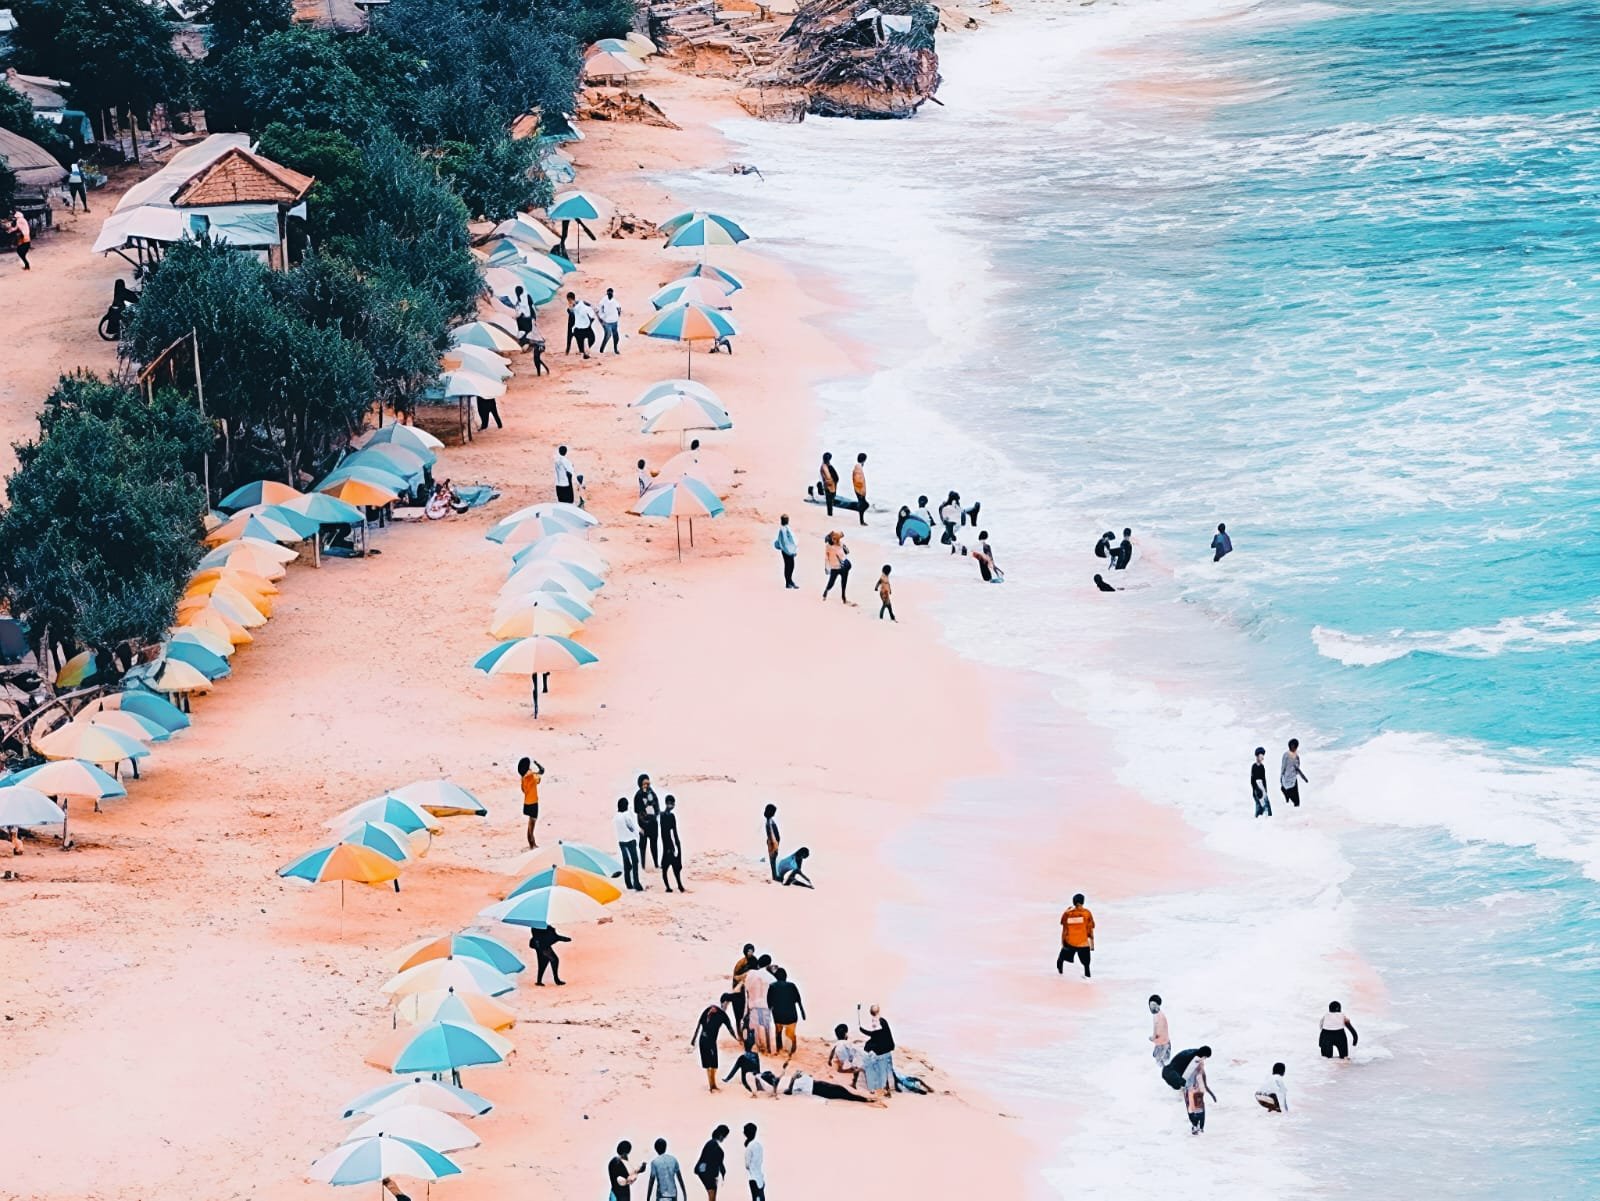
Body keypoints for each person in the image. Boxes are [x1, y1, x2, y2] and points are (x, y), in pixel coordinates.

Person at [691, 995, 737, 1091]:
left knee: (713, 1065)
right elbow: (699, 1025)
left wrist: (736, 1038)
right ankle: (712, 1085)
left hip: (706, 1040)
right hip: (706, 1040)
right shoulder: (719, 1014)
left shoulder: (720, 1014)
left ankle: (713, 1084)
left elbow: (730, 1028)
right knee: (710, 1065)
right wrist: (693, 1039)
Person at [771, 1069, 875, 1103]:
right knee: (844, 1094)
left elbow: (797, 1073)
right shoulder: (790, 1088)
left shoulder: (789, 1083)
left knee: (843, 1092)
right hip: (820, 1089)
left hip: (819, 1086)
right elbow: (790, 1087)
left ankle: (865, 1099)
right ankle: (866, 1100)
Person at [859, 1004, 896, 1099]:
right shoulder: (883, 1020)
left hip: (881, 1050)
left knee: (880, 1069)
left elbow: (875, 1035)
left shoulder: (876, 1022)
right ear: (879, 1011)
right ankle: (886, 1090)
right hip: (887, 1048)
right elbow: (882, 1035)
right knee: (886, 1070)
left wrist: (862, 1030)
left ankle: (881, 1089)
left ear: (870, 1013)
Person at [768, 966, 806, 1053]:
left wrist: (768, 1015)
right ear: (786, 976)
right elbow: (799, 1001)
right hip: (791, 1015)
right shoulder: (792, 986)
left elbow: (769, 1003)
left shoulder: (772, 986)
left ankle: (779, 1049)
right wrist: (802, 1013)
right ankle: (792, 1049)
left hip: (778, 1016)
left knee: (778, 1033)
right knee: (791, 1033)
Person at [1056, 893, 1095, 978]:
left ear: (1073, 902)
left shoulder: (1068, 913)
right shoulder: (1087, 913)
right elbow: (1090, 928)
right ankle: (1088, 980)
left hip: (1070, 943)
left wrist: (1063, 942)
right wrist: (1091, 945)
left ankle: (1059, 974)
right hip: (1083, 944)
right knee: (1086, 965)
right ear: (1083, 902)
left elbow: (1064, 926)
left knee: (1060, 959)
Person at [743, 955, 776, 1052]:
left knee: (756, 1029)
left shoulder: (751, 974)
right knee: (767, 1027)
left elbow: (747, 990)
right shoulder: (771, 977)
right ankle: (769, 1048)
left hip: (753, 1005)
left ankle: (760, 1047)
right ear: (768, 964)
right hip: (766, 1005)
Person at [634, 774, 662, 870]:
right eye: (644, 783)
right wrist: (641, 824)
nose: (646, 785)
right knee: (643, 846)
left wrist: (656, 814)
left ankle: (656, 863)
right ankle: (642, 865)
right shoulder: (638, 795)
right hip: (643, 824)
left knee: (654, 844)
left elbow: (657, 806)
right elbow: (637, 812)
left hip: (653, 823)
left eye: (648, 783)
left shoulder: (652, 793)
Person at [693, 1126, 729, 1201]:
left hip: (707, 1173)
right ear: (721, 1135)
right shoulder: (713, 1145)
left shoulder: (711, 1143)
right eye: (724, 1136)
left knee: (712, 1195)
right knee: (712, 1195)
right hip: (707, 1174)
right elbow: (713, 1160)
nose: (724, 1138)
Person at [615, 798, 643, 891]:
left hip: (621, 841)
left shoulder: (616, 816)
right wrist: (638, 834)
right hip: (630, 840)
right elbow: (632, 827)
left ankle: (628, 883)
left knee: (626, 863)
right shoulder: (626, 816)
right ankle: (636, 883)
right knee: (635, 862)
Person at [730, 944, 758, 1031]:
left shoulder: (754, 960)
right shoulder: (740, 964)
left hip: (751, 986)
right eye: (749, 951)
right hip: (740, 986)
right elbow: (735, 977)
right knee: (739, 1009)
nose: (750, 953)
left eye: (751, 951)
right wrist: (745, 976)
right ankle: (739, 1029)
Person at [518, 756, 544, 849]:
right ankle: (532, 844)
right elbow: (542, 771)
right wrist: (537, 764)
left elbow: (523, 790)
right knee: (532, 825)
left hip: (527, 803)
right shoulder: (532, 776)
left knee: (530, 824)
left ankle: (531, 843)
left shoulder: (523, 778)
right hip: (533, 802)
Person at [660, 794, 685, 892]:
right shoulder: (671, 816)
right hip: (672, 844)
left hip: (666, 845)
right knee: (676, 867)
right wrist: (676, 846)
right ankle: (680, 886)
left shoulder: (662, 815)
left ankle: (668, 887)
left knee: (665, 868)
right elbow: (674, 832)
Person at [821, 532, 852, 604]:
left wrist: (843, 546)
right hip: (834, 568)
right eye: (833, 539)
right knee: (831, 583)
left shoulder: (840, 544)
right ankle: (826, 591)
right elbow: (826, 558)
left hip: (843, 567)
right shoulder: (828, 547)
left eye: (835, 539)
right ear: (831, 540)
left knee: (844, 583)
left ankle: (843, 597)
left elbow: (847, 552)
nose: (835, 540)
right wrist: (827, 568)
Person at [1281, 738, 1308, 808]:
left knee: (1294, 800)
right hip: (1291, 781)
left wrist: (1281, 779)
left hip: (1287, 780)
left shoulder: (1286, 754)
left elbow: (1283, 768)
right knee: (1296, 802)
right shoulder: (1294, 756)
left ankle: (1285, 792)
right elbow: (1297, 769)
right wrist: (1304, 778)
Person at [773, 515, 798, 589]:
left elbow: (791, 540)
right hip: (786, 550)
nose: (787, 521)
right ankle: (788, 582)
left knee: (791, 566)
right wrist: (789, 550)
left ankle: (790, 581)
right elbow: (784, 541)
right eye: (786, 519)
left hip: (789, 550)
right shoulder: (782, 529)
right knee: (788, 566)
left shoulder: (787, 528)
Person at [742, 1124, 764, 1201]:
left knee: (755, 1198)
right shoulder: (759, 1145)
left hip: (753, 1178)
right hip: (760, 1177)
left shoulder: (749, 1147)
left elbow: (747, 1165)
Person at [598, 286, 623, 354]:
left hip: (614, 321)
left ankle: (615, 349)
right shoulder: (604, 300)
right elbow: (600, 308)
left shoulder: (614, 301)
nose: (610, 294)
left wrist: (618, 314)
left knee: (615, 336)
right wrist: (602, 317)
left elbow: (619, 308)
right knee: (608, 335)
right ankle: (602, 349)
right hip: (607, 322)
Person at [1149, 995, 1171, 1066]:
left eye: (1154, 1005)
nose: (1152, 1007)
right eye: (1151, 1005)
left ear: (1158, 1005)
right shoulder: (1159, 1014)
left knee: (1160, 1064)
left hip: (1162, 1045)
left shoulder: (1157, 1016)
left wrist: (1153, 1038)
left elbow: (1157, 1031)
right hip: (1164, 1043)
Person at [1251, 747, 1272, 818]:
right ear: (1257, 756)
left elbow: (1264, 779)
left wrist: (1265, 790)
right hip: (1257, 789)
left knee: (1267, 806)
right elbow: (1252, 780)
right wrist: (1256, 790)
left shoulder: (1262, 767)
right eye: (1261, 756)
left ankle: (1269, 819)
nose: (1262, 758)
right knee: (1259, 806)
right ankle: (1256, 820)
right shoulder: (1254, 766)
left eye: (1263, 756)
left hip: (1262, 788)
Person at [851, 453, 868, 526]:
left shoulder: (858, 467)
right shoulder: (858, 468)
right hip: (860, 491)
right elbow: (858, 481)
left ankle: (861, 519)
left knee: (863, 505)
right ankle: (861, 521)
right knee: (864, 505)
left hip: (859, 490)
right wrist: (861, 491)